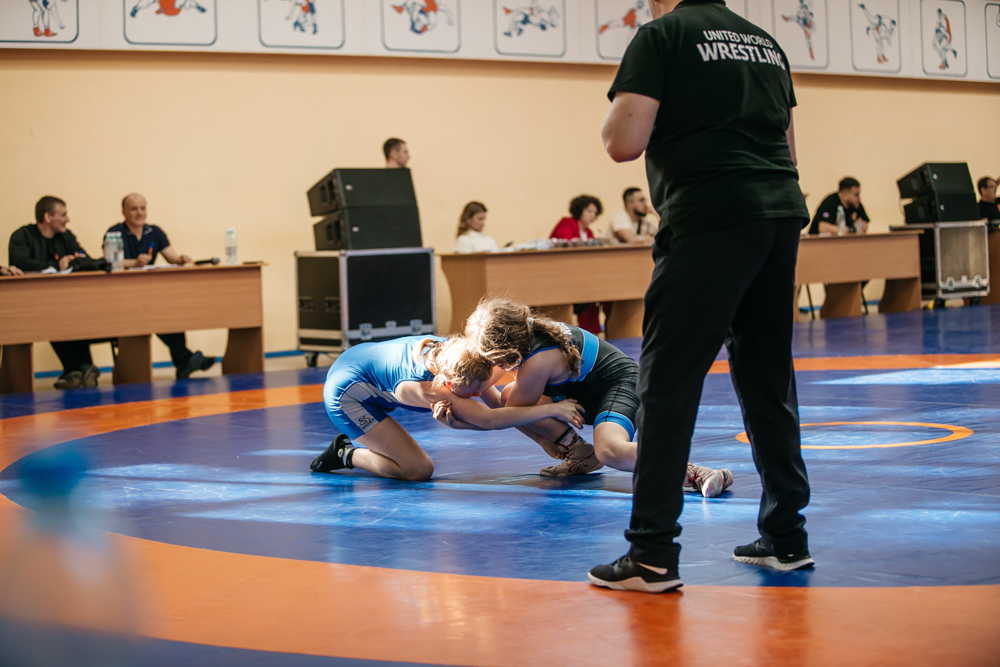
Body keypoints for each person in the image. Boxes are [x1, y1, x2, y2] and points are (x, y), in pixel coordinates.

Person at [590, 0, 813, 593]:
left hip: (710, 214)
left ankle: (651, 555)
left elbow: (622, 141)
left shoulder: (661, 36)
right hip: (779, 213)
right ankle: (787, 537)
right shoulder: (766, 43)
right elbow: (789, 154)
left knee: (667, 381)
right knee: (767, 376)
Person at [455, 298, 733, 496]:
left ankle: (694, 471)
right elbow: (500, 398)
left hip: (622, 385)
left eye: (492, 361)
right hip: (585, 393)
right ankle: (581, 454)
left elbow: (505, 416)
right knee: (511, 396)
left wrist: (460, 418)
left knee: (610, 451)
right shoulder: (524, 331)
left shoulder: (537, 360)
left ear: (503, 353)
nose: (494, 367)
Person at [309, 335, 585, 481]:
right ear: (449, 384)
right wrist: (552, 410)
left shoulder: (458, 355)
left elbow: (500, 408)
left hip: (361, 362)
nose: (477, 395)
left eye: (480, 387)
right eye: (472, 392)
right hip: (346, 396)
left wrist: (541, 440)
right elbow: (490, 421)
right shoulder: (426, 388)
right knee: (417, 469)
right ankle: (346, 453)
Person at [104, 193, 216, 380]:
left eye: (143, 208)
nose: (139, 213)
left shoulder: (154, 232)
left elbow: (172, 257)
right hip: (124, 294)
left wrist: (181, 259)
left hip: (149, 292)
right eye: (134, 209)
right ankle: (185, 359)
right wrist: (134, 263)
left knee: (170, 314)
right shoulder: (114, 233)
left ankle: (184, 360)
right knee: (154, 313)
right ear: (123, 211)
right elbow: (108, 262)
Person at [8, 196, 103, 389]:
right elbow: (20, 263)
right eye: (63, 214)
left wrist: (72, 263)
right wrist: (55, 266)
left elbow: (86, 259)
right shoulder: (22, 236)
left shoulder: (66, 236)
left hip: (65, 301)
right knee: (55, 314)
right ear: (47, 217)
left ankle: (75, 371)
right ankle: (78, 368)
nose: (67, 219)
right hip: (30, 303)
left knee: (74, 312)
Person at [550, 195, 605, 334]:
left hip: (582, 274)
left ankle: (590, 334)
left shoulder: (589, 232)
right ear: (579, 210)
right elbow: (568, 247)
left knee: (593, 290)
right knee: (587, 288)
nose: (593, 216)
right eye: (589, 211)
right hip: (561, 273)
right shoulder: (566, 223)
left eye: (595, 213)